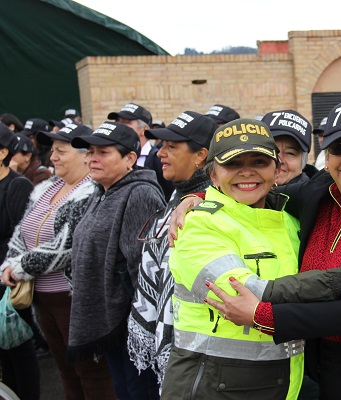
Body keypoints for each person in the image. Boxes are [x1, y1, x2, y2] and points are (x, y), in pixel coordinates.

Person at [184, 97, 341, 399]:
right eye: (340, 148)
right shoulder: (318, 192)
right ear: (327, 159)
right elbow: (256, 189)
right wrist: (198, 197)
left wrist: (263, 315)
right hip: (319, 367)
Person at [160, 117, 313, 399]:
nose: (247, 172)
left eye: (259, 162)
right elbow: (253, 293)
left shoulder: (291, 218)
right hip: (209, 389)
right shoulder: (196, 223)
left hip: (281, 385)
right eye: (233, 163)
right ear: (213, 175)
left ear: (276, 169)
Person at [1, 122, 117, 399]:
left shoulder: (94, 191)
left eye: (61, 151)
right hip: (43, 298)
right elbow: (22, 230)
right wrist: (9, 262)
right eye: (52, 150)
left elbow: (68, 246)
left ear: (86, 155)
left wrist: (20, 266)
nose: (52, 157)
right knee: (66, 370)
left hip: (74, 299)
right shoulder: (47, 188)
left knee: (92, 373)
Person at [69, 122, 166, 400]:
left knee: (140, 393)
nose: (92, 158)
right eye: (91, 152)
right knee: (123, 391)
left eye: (103, 152)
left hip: (130, 323)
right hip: (109, 319)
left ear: (130, 159)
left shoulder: (140, 193)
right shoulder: (103, 190)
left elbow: (142, 267)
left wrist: (141, 328)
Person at [126, 111, 217, 386]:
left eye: (172, 147)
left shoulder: (211, 203)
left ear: (200, 155)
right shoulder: (179, 194)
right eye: (162, 145)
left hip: (195, 345)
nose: (160, 153)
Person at [0, 125, 38, 400]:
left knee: (18, 350)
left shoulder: (18, 186)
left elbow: (23, 236)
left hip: (9, 282)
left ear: (3, 153)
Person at [108, 103, 174, 199]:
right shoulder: (112, 158)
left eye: (126, 123)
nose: (119, 127)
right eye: (117, 123)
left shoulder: (159, 159)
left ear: (144, 129)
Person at [260, 109, 317, 185]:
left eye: (290, 153)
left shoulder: (319, 192)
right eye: (270, 150)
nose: (279, 160)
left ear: (303, 161)